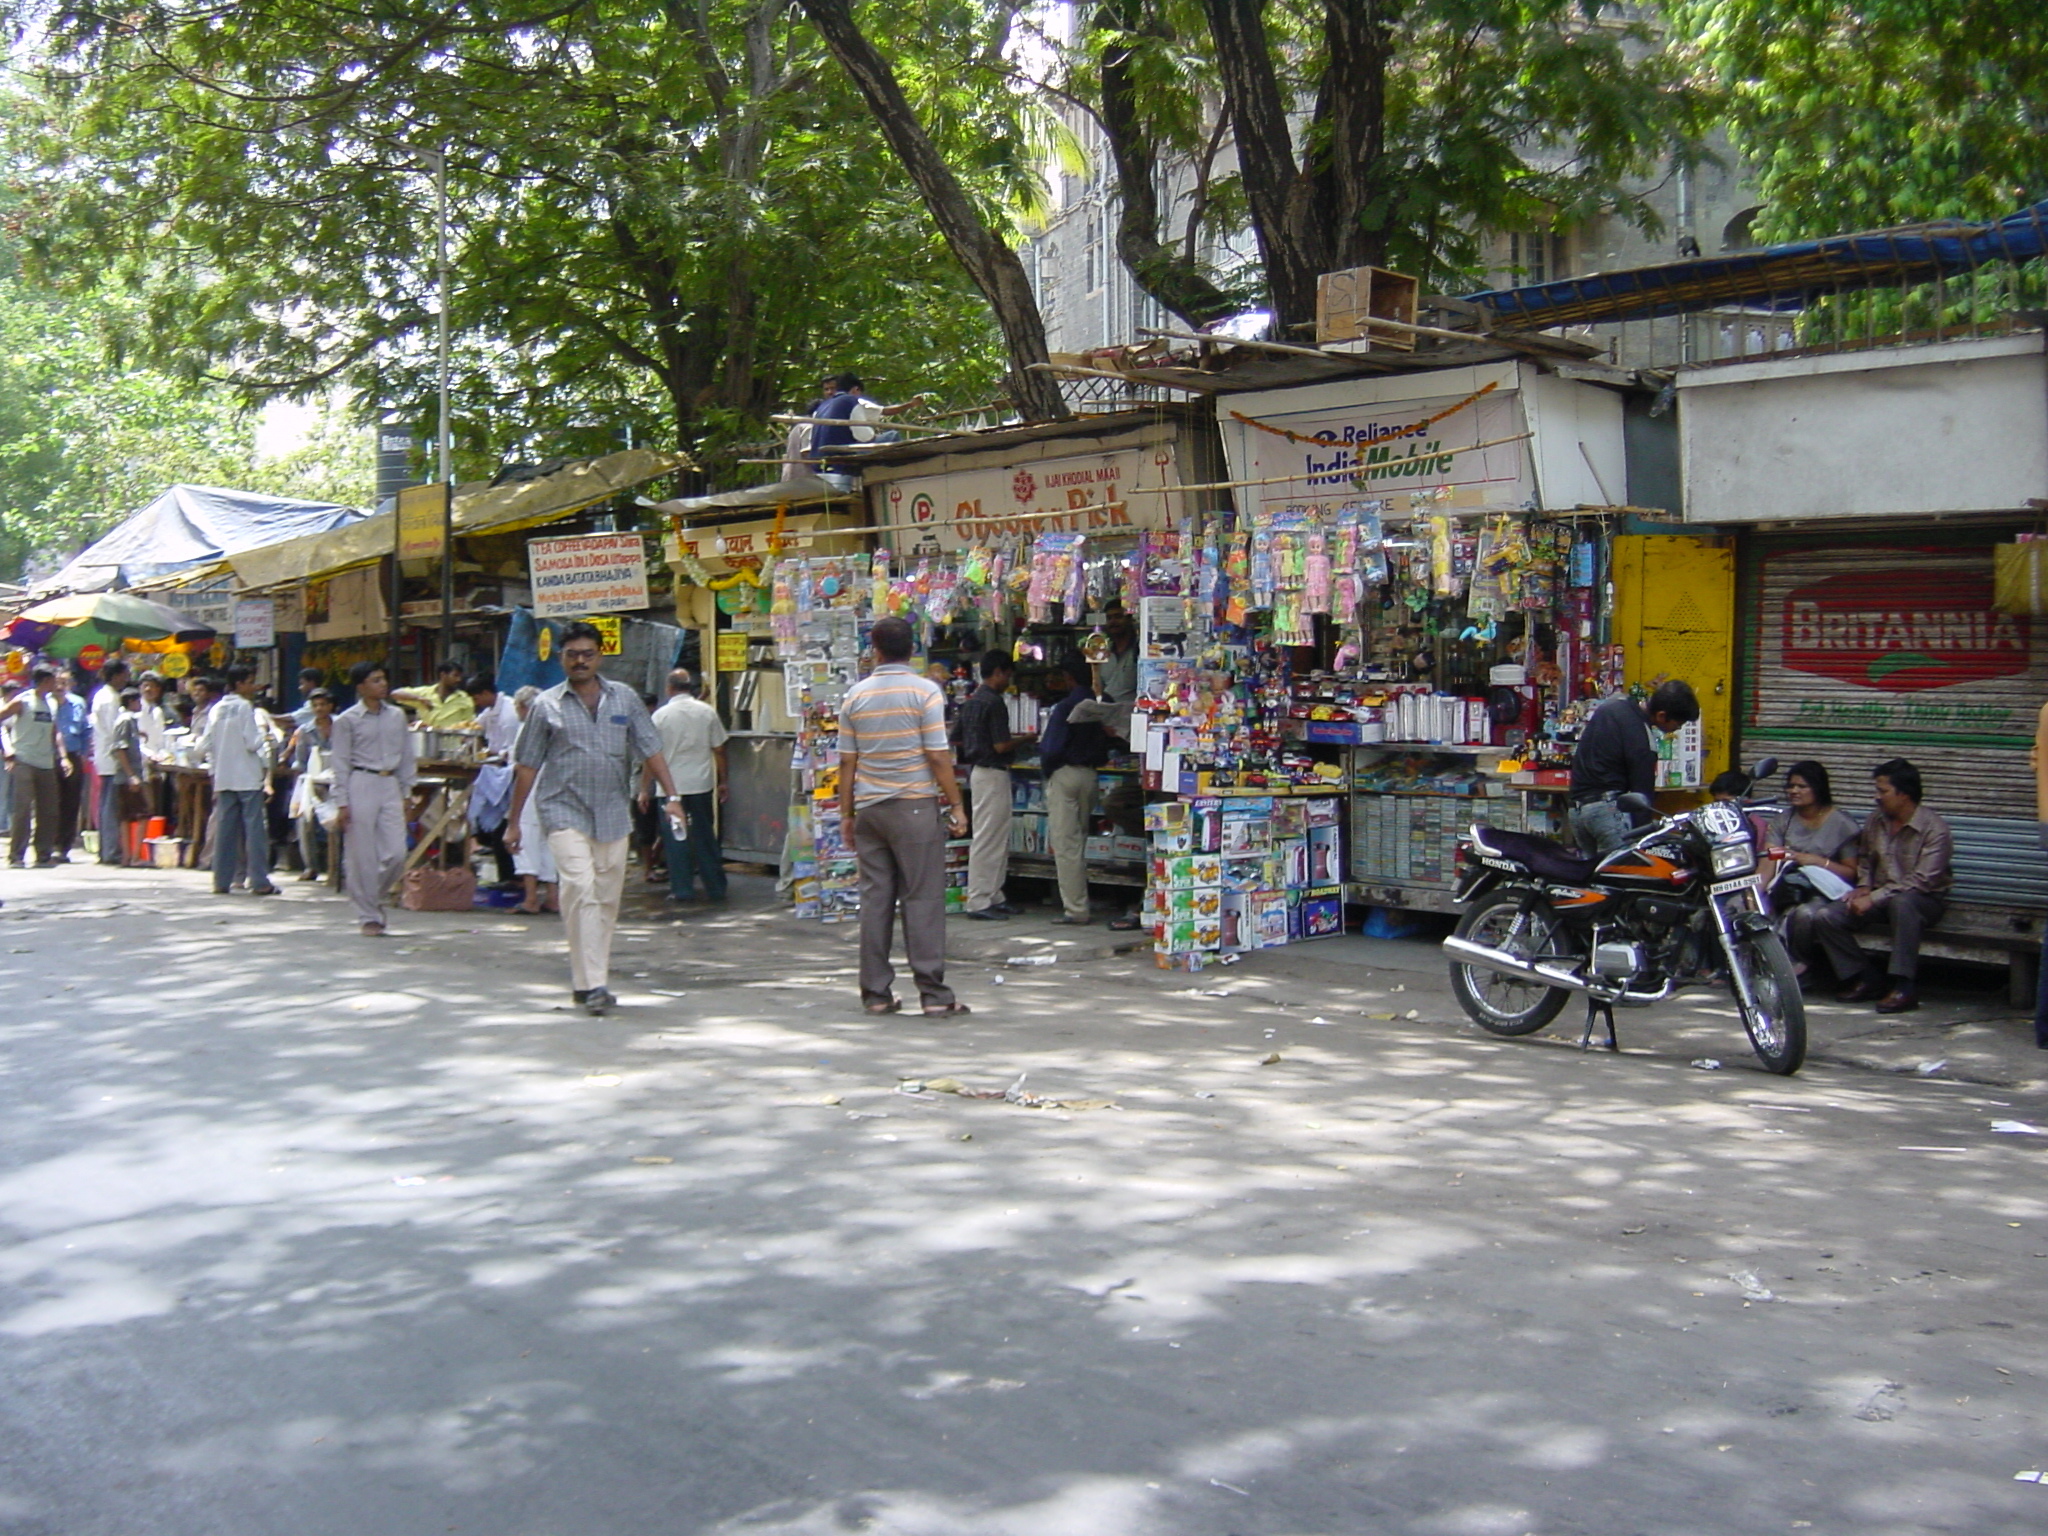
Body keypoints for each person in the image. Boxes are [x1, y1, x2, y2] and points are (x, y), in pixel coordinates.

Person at [505, 621, 682, 1015]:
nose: (580, 661)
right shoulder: (545, 705)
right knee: (580, 888)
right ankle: (595, 984)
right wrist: (514, 821)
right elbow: (527, 767)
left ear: (600, 657)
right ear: (561, 658)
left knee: (605, 899)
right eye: (572, 655)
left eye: (587, 654)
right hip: (561, 809)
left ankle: (587, 983)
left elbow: (651, 749)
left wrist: (673, 796)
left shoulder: (625, 699)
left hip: (612, 812)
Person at [836, 614, 970, 1016]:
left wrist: (846, 813)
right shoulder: (925, 692)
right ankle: (933, 994)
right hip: (913, 806)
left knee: (876, 901)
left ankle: (875, 994)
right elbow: (936, 755)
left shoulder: (855, 696)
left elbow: (846, 763)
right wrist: (957, 804)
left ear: (873, 650)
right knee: (922, 898)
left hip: (870, 810)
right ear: (912, 649)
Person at [1788, 758, 1953, 1015]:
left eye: (1883, 791)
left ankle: (1903, 986)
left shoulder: (1934, 829)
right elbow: (1865, 858)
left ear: (1904, 794)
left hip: (1923, 901)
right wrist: (1864, 886)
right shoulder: (1877, 820)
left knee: (1904, 903)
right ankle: (1865, 977)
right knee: (1825, 916)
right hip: (1880, 895)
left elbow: (1921, 881)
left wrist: (1874, 897)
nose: (1877, 797)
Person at [330, 659, 416, 937]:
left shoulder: (397, 716)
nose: (383, 684)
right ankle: (368, 914)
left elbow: (406, 755)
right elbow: (340, 762)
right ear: (361, 687)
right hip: (361, 783)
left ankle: (372, 896)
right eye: (375, 680)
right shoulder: (346, 721)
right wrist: (341, 802)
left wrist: (406, 791)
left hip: (389, 782)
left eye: (383, 679)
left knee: (396, 853)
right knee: (361, 855)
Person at [1566, 680, 1701, 856]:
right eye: (1677, 725)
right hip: (1607, 812)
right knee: (1627, 873)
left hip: (1577, 811)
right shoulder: (1642, 738)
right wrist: (1645, 839)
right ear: (1662, 715)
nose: (1675, 730)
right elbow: (1642, 793)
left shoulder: (1613, 706)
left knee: (1593, 877)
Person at [1038, 654, 1115, 926]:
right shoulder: (1100, 704)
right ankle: (1079, 899)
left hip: (1066, 774)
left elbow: (1050, 749)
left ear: (1069, 679)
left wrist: (1049, 770)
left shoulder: (1065, 706)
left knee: (1066, 845)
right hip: (1090, 775)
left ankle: (1076, 908)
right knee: (1079, 840)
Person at [643, 668, 730, 908]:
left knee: (676, 839)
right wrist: (724, 780)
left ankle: (682, 889)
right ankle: (715, 886)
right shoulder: (707, 712)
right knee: (704, 836)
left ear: (669, 689)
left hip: (670, 789)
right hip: (701, 785)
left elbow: (651, 755)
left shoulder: (660, 716)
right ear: (690, 688)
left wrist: (644, 788)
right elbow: (720, 749)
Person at [199, 662, 279, 896]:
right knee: (255, 831)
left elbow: (205, 744)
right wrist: (267, 749)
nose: (253, 686)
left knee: (225, 831)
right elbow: (252, 742)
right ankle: (259, 881)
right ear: (240, 684)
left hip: (224, 777)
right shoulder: (245, 708)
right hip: (247, 777)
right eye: (250, 681)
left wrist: (215, 771)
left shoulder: (216, 709)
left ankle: (221, 880)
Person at [954, 648, 1018, 920]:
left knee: (994, 835)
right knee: (989, 837)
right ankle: (979, 900)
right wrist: (1027, 739)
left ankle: (994, 894)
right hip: (992, 771)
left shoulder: (972, 701)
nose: (1009, 679)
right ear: (999, 672)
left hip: (978, 771)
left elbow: (955, 737)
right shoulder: (993, 702)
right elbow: (1001, 744)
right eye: (1008, 674)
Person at [1766, 759, 1861, 917]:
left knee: (1804, 914)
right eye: (1790, 786)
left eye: (1802, 786)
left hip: (1825, 892)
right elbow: (1768, 858)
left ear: (1818, 788)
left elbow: (1851, 873)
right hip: (1787, 887)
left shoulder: (1842, 824)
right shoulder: (1782, 820)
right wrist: (1756, 893)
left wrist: (1818, 861)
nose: (1794, 791)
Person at [1, 666, 68, 867]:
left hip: (46, 762)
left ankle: (43, 853)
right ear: (44, 681)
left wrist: (63, 757)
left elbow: (55, 732)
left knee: (49, 810)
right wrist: (7, 749)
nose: (56, 684)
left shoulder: (52, 704)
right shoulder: (23, 700)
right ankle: (16, 855)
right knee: (22, 809)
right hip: (24, 760)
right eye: (53, 680)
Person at [507, 685, 558, 915]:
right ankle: (552, 897)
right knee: (549, 845)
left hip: (529, 794)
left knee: (525, 844)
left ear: (521, 707)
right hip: (553, 794)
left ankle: (530, 899)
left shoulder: (526, 729)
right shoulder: (554, 726)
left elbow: (520, 765)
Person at [468, 675, 520, 887]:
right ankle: (507, 875)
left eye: (476, 698)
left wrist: (493, 752)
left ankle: (513, 877)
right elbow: (473, 727)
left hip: (509, 773)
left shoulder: (509, 714)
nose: (476, 703)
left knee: (505, 825)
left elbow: (511, 750)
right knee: (496, 826)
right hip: (495, 770)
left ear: (486, 694)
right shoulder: (489, 712)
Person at [287, 688, 338, 880]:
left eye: (323, 704)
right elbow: (300, 761)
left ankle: (340, 865)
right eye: (315, 705)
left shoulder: (342, 725)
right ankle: (311, 866)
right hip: (312, 782)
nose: (319, 708)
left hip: (338, 781)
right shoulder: (305, 731)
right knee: (304, 820)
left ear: (330, 706)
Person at [88, 657, 133, 864]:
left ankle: (107, 849)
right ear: (116, 676)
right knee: (111, 806)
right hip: (111, 758)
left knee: (107, 804)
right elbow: (115, 732)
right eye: (124, 675)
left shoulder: (103, 696)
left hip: (106, 756)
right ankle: (110, 850)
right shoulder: (110, 699)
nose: (127, 679)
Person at [51, 669, 90, 860]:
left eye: (64, 682)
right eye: (56, 682)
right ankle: (47, 843)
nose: (59, 686)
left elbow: (86, 730)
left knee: (71, 802)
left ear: (70, 684)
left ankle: (63, 846)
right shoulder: (45, 703)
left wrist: (83, 754)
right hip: (48, 757)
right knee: (50, 802)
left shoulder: (78, 703)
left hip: (74, 756)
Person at [106, 687, 147, 865]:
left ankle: (127, 857)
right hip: (127, 776)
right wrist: (131, 775)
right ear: (132, 702)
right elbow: (119, 749)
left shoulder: (129, 722)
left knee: (126, 816)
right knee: (142, 814)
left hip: (126, 775)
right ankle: (135, 856)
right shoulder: (126, 720)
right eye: (138, 701)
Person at [392, 661, 476, 730]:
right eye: (455, 675)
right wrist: (419, 698)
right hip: (427, 743)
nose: (459, 680)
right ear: (443, 675)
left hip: (452, 746)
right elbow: (395, 694)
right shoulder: (425, 693)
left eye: (460, 676)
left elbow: (469, 725)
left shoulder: (465, 699)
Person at [1098, 600, 1138, 705]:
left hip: (1132, 714)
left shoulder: (1139, 649)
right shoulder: (1105, 653)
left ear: (1129, 619)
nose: (1113, 622)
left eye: (1118, 617)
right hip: (1106, 713)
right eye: (1109, 618)